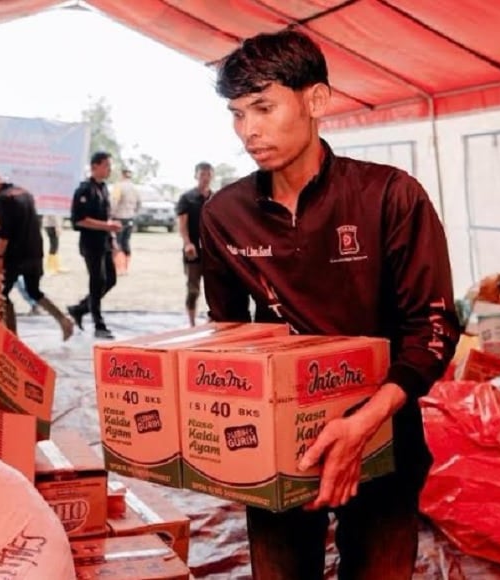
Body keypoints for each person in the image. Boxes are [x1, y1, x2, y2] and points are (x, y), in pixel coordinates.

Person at [200, 28, 460, 580]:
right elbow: (228, 334)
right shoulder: (224, 215)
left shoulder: (389, 195)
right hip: (279, 452)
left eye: (263, 107)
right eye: (237, 113)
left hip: (385, 437)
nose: (248, 130)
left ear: (315, 100)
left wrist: (362, 422)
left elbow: (433, 328)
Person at [0, 170, 73, 340]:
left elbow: (5, 232)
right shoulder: (24, 192)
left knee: (2, 293)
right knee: (34, 291)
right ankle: (63, 319)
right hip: (35, 249)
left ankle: (12, 336)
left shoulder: (1, 199)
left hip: (15, 253)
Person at [67, 152, 121, 340]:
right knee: (97, 281)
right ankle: (98, 323)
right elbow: (79, 220)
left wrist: (112, 237)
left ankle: (80, 308)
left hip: (104, 242)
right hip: (91, 244)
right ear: (95, 166)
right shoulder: (84, 190)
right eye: (106, 165)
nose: (109, 169)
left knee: (110, 280)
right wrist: (106, 226)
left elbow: (105, 216)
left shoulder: (104, 188)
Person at [176, 161, 214, 327]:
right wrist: (187, 244)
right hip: (193, 250)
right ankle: (191, 323)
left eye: (208, 174)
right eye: (202, 174)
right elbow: (182, 224)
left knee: (215, 288)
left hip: (212, 251)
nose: (205, 178)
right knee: (193, 288)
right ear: (196, 176)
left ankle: (213, 319)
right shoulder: (187, 198)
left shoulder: (216, 197)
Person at [110, 168, 141, 275]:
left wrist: (110, 215)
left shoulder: (118, 186)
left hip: (119, 217)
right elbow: (139, 204)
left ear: (122, 175)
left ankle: (118, 268)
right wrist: (133, 213)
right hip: (130, 218)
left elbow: (114, 201)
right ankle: (125, 268)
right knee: (126, 242)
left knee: (117, 242)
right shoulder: (135, 188)